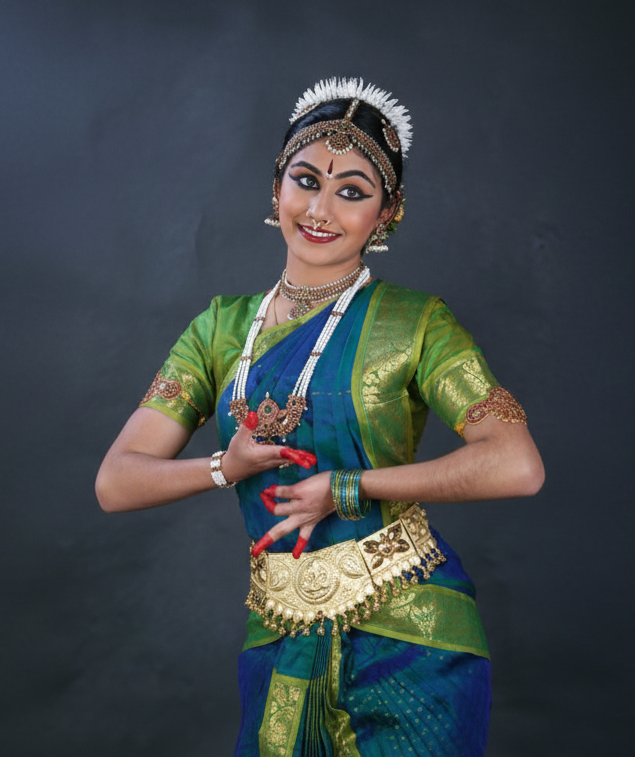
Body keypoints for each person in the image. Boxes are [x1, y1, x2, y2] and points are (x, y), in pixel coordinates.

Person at [96, 78, 544, 757]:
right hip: (280, 631)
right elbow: (116, 482)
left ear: (387, 213)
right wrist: (224, 467)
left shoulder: (416, 322)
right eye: (305, 180)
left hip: (412, 633)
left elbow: (515, 464)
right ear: (275, 186)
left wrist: (349, 487)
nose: (320, 208)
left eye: (352, 191)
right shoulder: (220, 330)